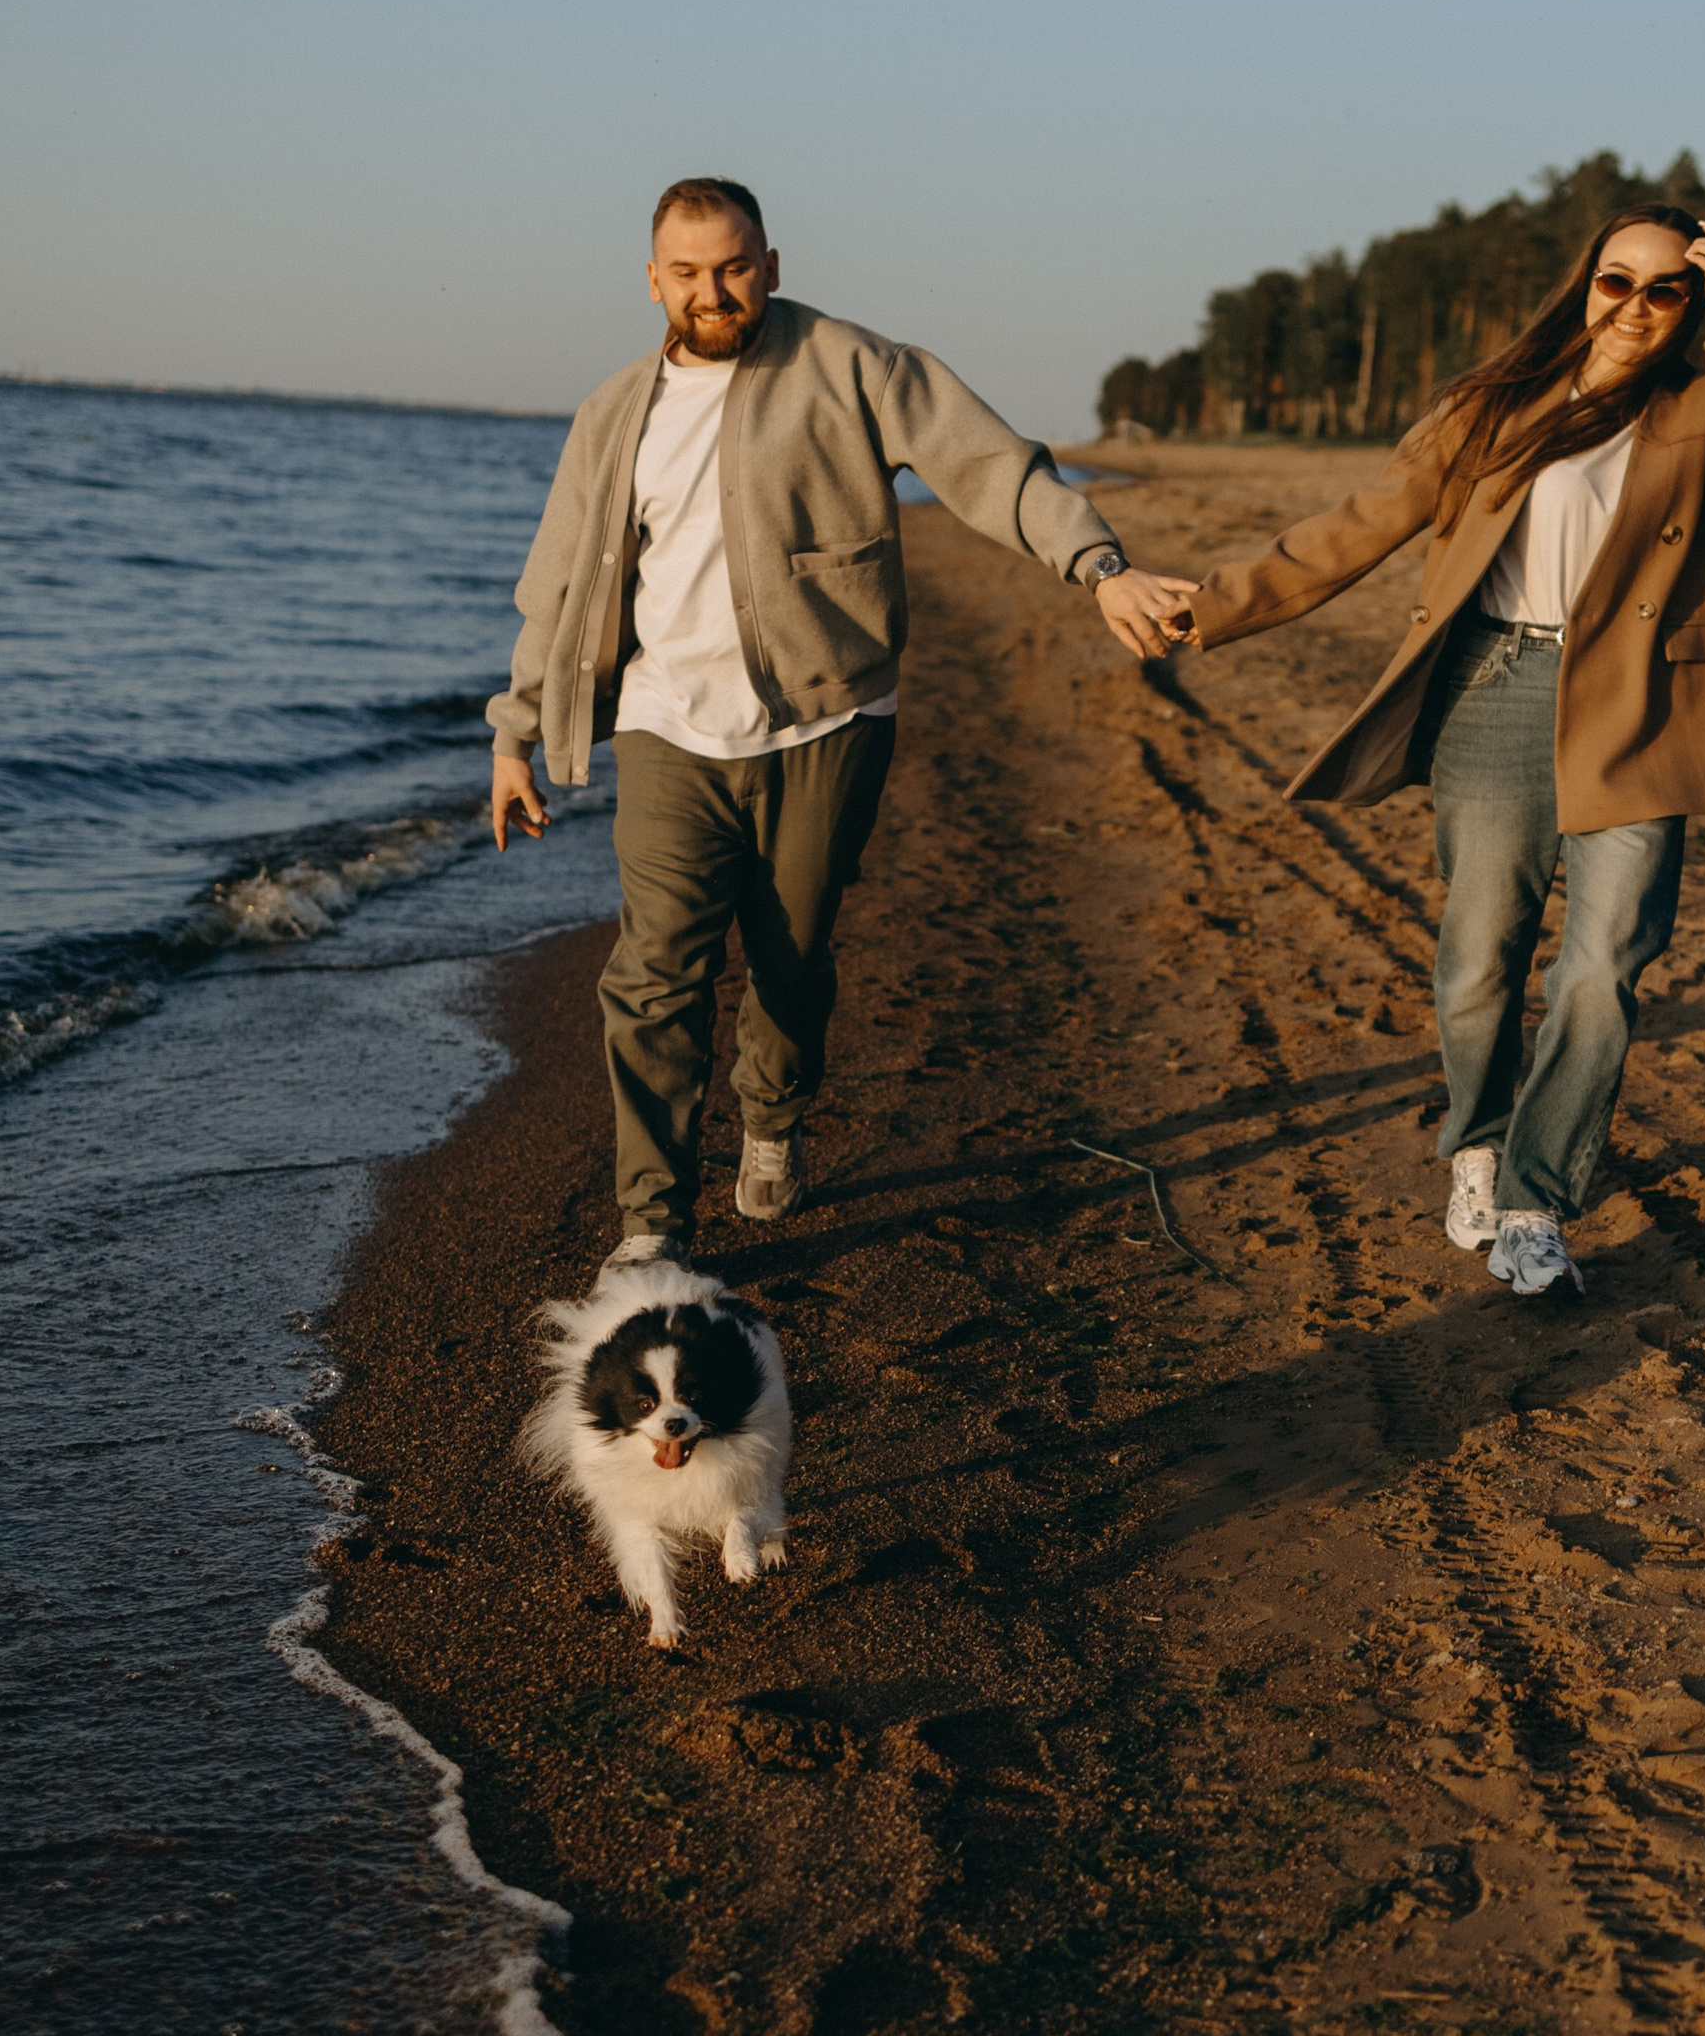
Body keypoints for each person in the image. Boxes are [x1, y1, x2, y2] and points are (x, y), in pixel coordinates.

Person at [490, 179, 1196, 1250]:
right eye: (686, 273)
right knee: (652, 974)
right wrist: (516, 732)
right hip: (665, 727)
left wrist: (1097, 566)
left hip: (826, 723)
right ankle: (652, 1226)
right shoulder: (612, 411)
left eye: (732, 267)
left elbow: (990, 466)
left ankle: (771, 1117)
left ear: (770, 265)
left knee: (791, 958)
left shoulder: (855, 367)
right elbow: (559, 582)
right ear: (652, 282)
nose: (711, 291)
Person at [1168, 205, 1705, 1295]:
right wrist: (1213, 609)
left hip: (1640, 701)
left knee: (1605, 965)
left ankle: (1535, 1200)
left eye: (1668, 290)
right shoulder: (1492, 408)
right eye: (1619, 281)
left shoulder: (1704, 405)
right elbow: (1359, 523)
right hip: (1497, 683)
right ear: (1585, 283)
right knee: (1482, 956)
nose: (1636, 308)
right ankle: (1475, 1144)